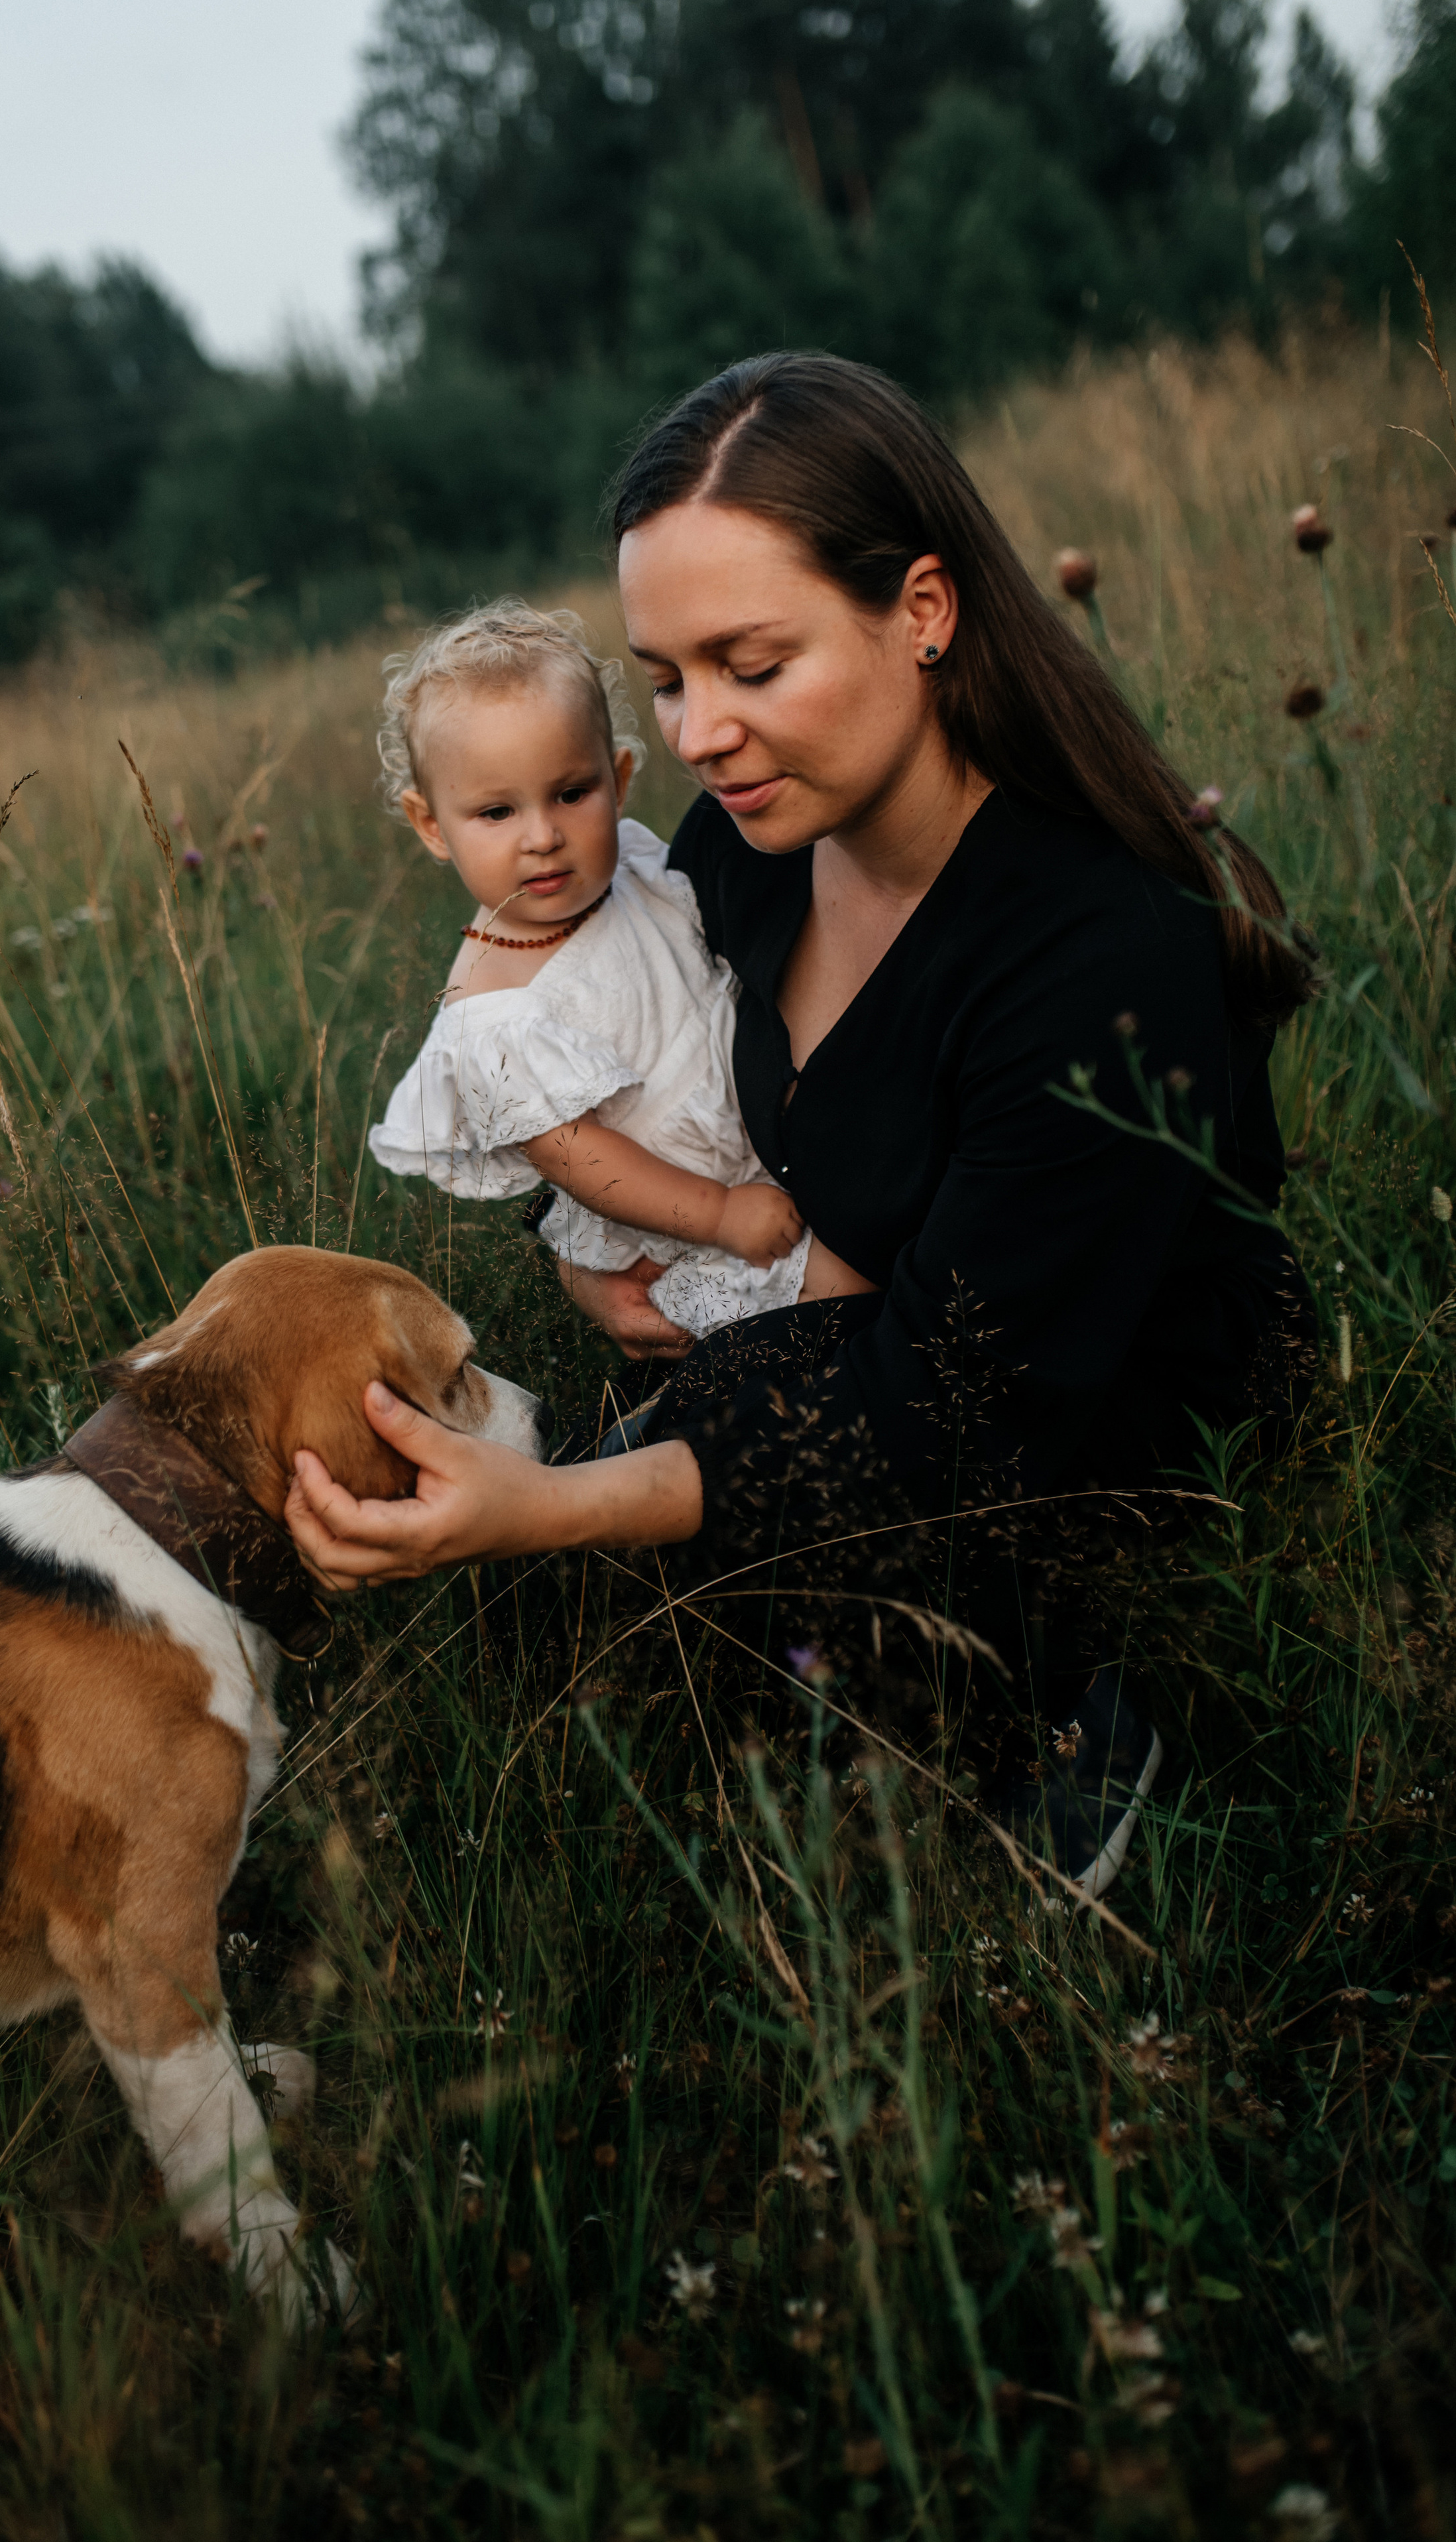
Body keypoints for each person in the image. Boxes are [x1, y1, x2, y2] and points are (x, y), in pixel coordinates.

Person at [286, 354, 1316, 1897]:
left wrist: (562, 1504)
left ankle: (1076, 1746)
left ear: (921, 609)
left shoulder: (1094, 951)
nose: (698, 733)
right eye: (665, 679)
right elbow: (613, 1071)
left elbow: (944, 1404)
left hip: (1078, 1406)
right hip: (834, 1328)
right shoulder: (746, 849)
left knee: (636, 1543)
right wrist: (578, 1259)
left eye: (750, 665)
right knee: (565, 1615)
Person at [367, 599, 823, 1339]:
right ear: (432, 825)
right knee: (821, 1316)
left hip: (774, 1154)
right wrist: (719, 1214)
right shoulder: (495, 1018)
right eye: (496, 813)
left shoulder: (635, 868)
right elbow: (581, 1160)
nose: (543, 836)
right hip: (690, 1235)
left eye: (571, 794)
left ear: (618, 779)